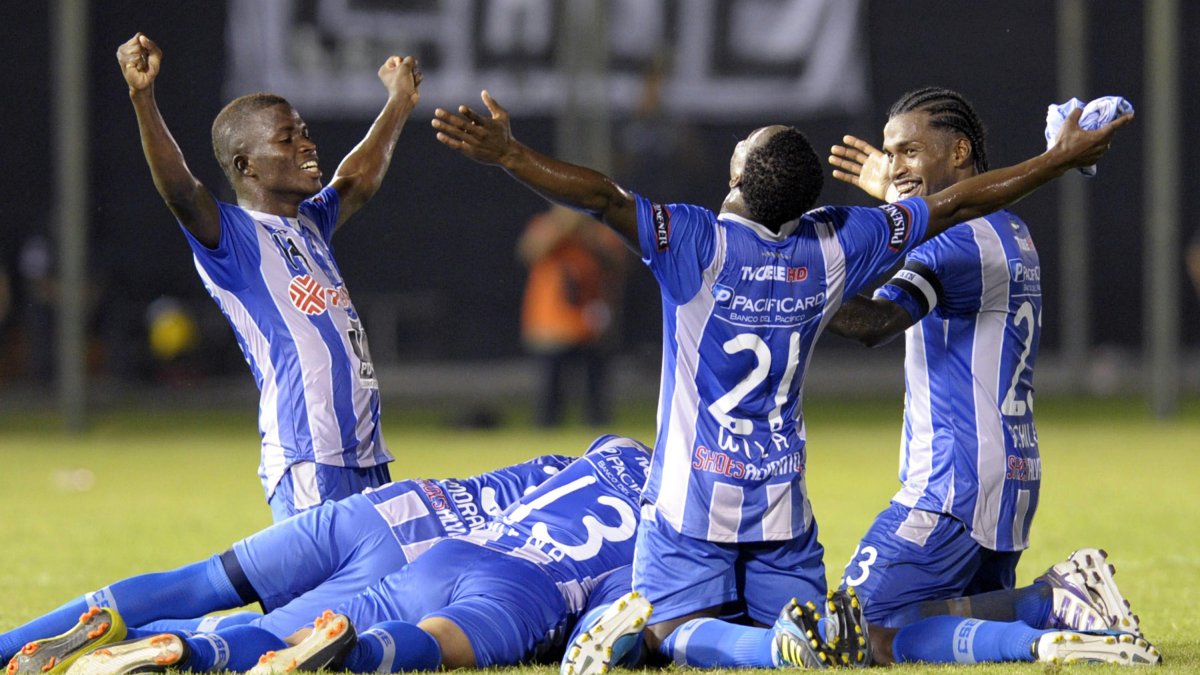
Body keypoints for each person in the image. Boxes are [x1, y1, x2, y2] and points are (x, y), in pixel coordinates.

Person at [429, 90, 1132, 672]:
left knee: (673, 630)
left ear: (737, 178)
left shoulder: (696, 242)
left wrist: (510, 154)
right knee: (830, 634)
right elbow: (951, 206)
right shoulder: (836, 246)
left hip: (697, 501)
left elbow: (599, 195)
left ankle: (1029, 622)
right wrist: (1059, 160)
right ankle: (1029, 614)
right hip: (785, 512)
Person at [825, 88, 1141, 639]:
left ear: (959, 151)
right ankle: (1038, 609)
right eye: (889, 152)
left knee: (851, 629)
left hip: (951, 489)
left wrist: (789, 279)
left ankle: (1043, 604)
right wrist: (899, 199)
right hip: (1010, 479)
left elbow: (874, 323)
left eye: (909, 152)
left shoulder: (950, 244)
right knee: (931, 628)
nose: (893, 165)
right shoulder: (1009, 230)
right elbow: (950, 218)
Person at [116, 33, 422, 520]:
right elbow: (179, 189)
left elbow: (358, 179)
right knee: (320, 595)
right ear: (246, 166)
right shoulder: (232, 239)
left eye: (303, 131)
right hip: (309, 456)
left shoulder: (310, 224)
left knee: (379, 594)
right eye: (288, 137)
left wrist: (399, 102)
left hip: (365, 453)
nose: (307, 143)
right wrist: (143, 97)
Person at [64, 436, 652, 674]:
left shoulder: (602, 453)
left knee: (206, 585)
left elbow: (516, 493)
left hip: (400, 514)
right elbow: (619, 611)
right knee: (412, 641)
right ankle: (196, 651)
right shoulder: (670, 529)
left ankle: (31, 645)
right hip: (500, 577)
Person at [517, 205, 627, 427]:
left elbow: (618, 264)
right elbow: (530, 252)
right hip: (551, 327)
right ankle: (545, 446)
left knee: (595, 400)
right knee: (550, 400)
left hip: (591, 326)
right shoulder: (547, 225)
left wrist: (586, 234)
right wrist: (564, 227)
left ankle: (598, 448)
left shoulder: (599, 231)